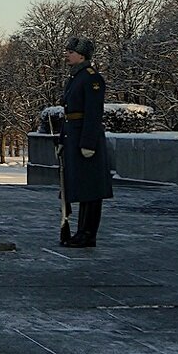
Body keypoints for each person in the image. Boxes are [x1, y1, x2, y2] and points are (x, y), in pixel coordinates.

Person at [59, 37, 113, 247]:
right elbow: (68, 113)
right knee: (82, 186)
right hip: (74, 138)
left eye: (70, 52)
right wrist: (62, 139)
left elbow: (92, 113)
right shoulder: (75, 78)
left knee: (90, 188)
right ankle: (81, 231)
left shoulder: (91, 78)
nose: (67, 55)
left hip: (85, 140)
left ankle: (88, 233)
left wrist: (88, 143)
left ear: (81, 55)